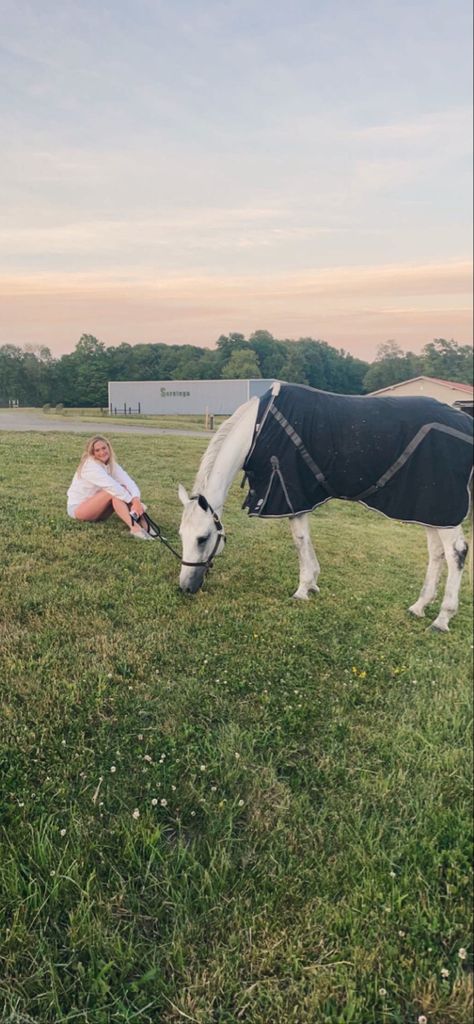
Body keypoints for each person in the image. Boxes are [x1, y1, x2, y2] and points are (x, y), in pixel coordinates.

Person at [67, 435, 153, 539]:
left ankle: (148, 528)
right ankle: (135, 529)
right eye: (97, 450)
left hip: (99, 511)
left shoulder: (111, 464)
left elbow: (129, 483)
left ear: (108, 447)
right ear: (92, 453)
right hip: (78, 510)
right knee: (112, 491)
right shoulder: (90, 466)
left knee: (122, 489)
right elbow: (112, 487)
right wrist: (133, 502)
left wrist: (136, 500)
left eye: (104, 448)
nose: (102, 452)